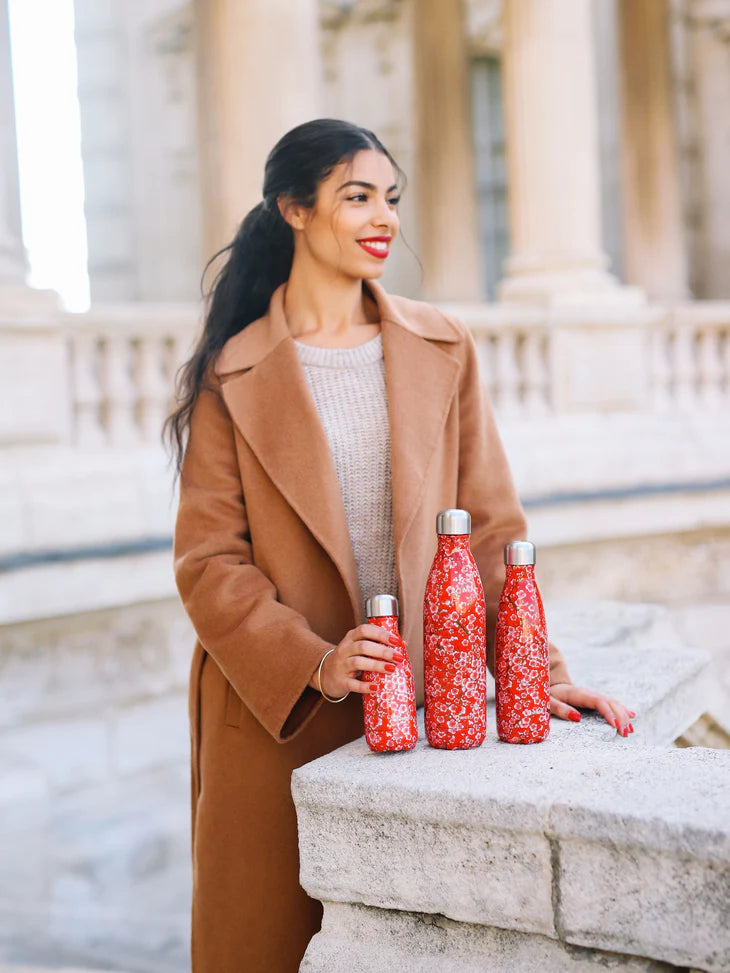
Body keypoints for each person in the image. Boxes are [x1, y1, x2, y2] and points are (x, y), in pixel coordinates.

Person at [167, 118, 635, 973]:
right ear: (294, 210)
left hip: (423, 702)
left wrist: (543, 671)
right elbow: (208, 564)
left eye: (390, 198)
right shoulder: (229, 373)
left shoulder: (441, 345)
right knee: (260, 947)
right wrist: (316, 660)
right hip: (276, 713)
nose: (383, 216)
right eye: (356, 197)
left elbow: (490, 529)